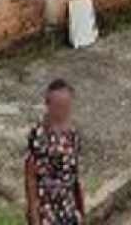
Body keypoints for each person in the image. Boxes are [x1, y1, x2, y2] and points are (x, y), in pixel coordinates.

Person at [24, 79, 85, 225]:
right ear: (48, 105)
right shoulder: (38, 135)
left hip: (69, 209)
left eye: (66, 106)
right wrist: (34, 216)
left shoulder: (72, 134)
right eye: (59, 106)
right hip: (47, 211)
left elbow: (75, 175)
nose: (63, 111)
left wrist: (81, 210)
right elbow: (30, 178)